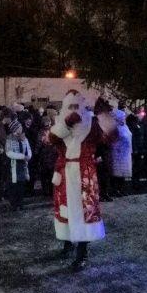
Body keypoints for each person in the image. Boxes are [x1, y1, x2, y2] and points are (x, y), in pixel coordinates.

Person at [48, 91, 116, 271]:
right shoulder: (60, 124)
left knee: (84, 211)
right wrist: (66, 124)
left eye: (76, 106)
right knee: (66, 210)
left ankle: (82, 252)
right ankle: (67, 242)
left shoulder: (90, 125)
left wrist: (103, 114)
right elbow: (50, 139)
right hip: (65, 173)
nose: (73, 110)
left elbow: (111, 137)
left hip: (84, 174)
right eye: (70, 106)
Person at [5, 118, 32, 211]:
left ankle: (21, 202)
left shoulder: (24, 138)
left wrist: (28, 156)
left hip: (22, 164)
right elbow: (9, 152)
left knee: (21, 184)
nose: (21, 128)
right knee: (14, 185)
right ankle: (14, 203)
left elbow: (28, 148)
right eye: (19, 127)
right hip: (14, 164)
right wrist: (22, 156)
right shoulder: (9, 139)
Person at [110, 109, 132, 196]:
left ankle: (121, 189)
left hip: (126, 153)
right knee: (117, 173)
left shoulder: (125, 127)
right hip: (118, 154)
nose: (124, 119)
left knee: (123, 173)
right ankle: (115, 190)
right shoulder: (115, 128)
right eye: (122, 117)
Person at [38, 116, 57, 197]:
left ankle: (51, 190)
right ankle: (46, 191)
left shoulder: (53, 130)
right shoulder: (41, 132)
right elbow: (39, 143)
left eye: (48, 123)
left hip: (52, 154)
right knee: (45, 174)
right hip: (45, 155)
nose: (48, 125)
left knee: (51, 173)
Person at [126, 112, 144, 189]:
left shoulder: (135, 127)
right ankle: (135, 183)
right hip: (135, 150)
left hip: (137, 149)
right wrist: (136, 148)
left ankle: (136, 182)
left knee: (136, 167)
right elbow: (134, 139)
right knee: (136, 168)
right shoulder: (134, 127)